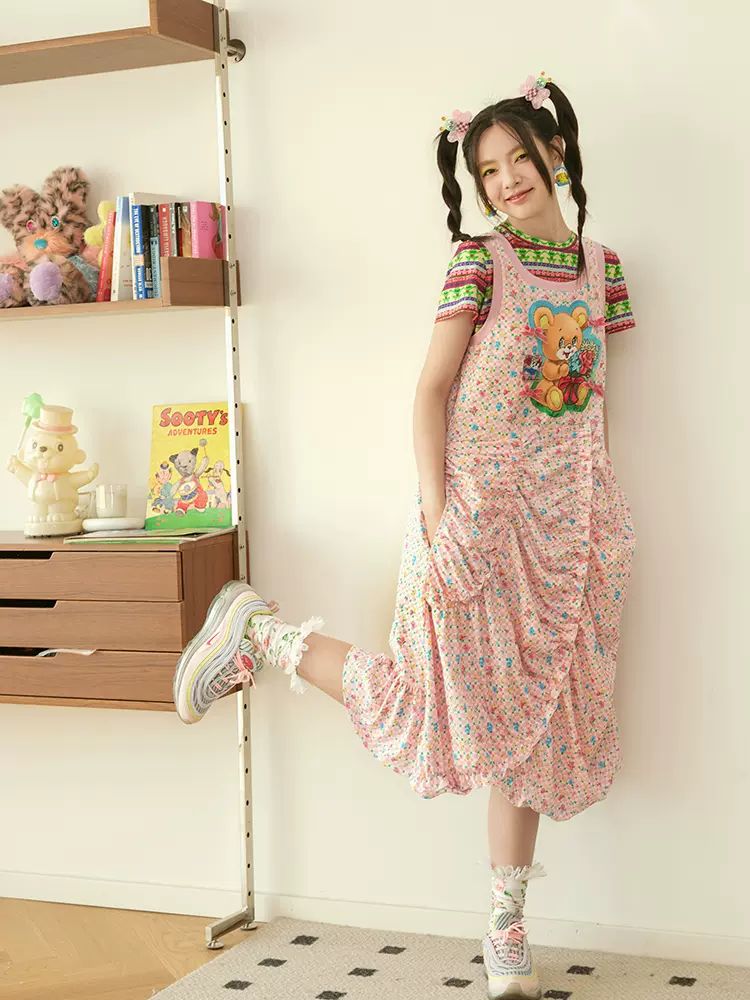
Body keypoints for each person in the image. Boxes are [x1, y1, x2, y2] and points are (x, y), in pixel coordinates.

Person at [172, 71, 637, 1000]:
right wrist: (436, 511)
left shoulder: (604, 269)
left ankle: (506, 924)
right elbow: (430, 390)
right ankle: (262, 634)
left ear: (554, 153)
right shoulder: (479, 262)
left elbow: (589, 400)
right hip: (472, 519)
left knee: (538, 725)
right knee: (427, 706)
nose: (506, 181)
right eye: (487, 170)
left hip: (569, 528)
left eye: (518, 160)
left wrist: (602, 510)